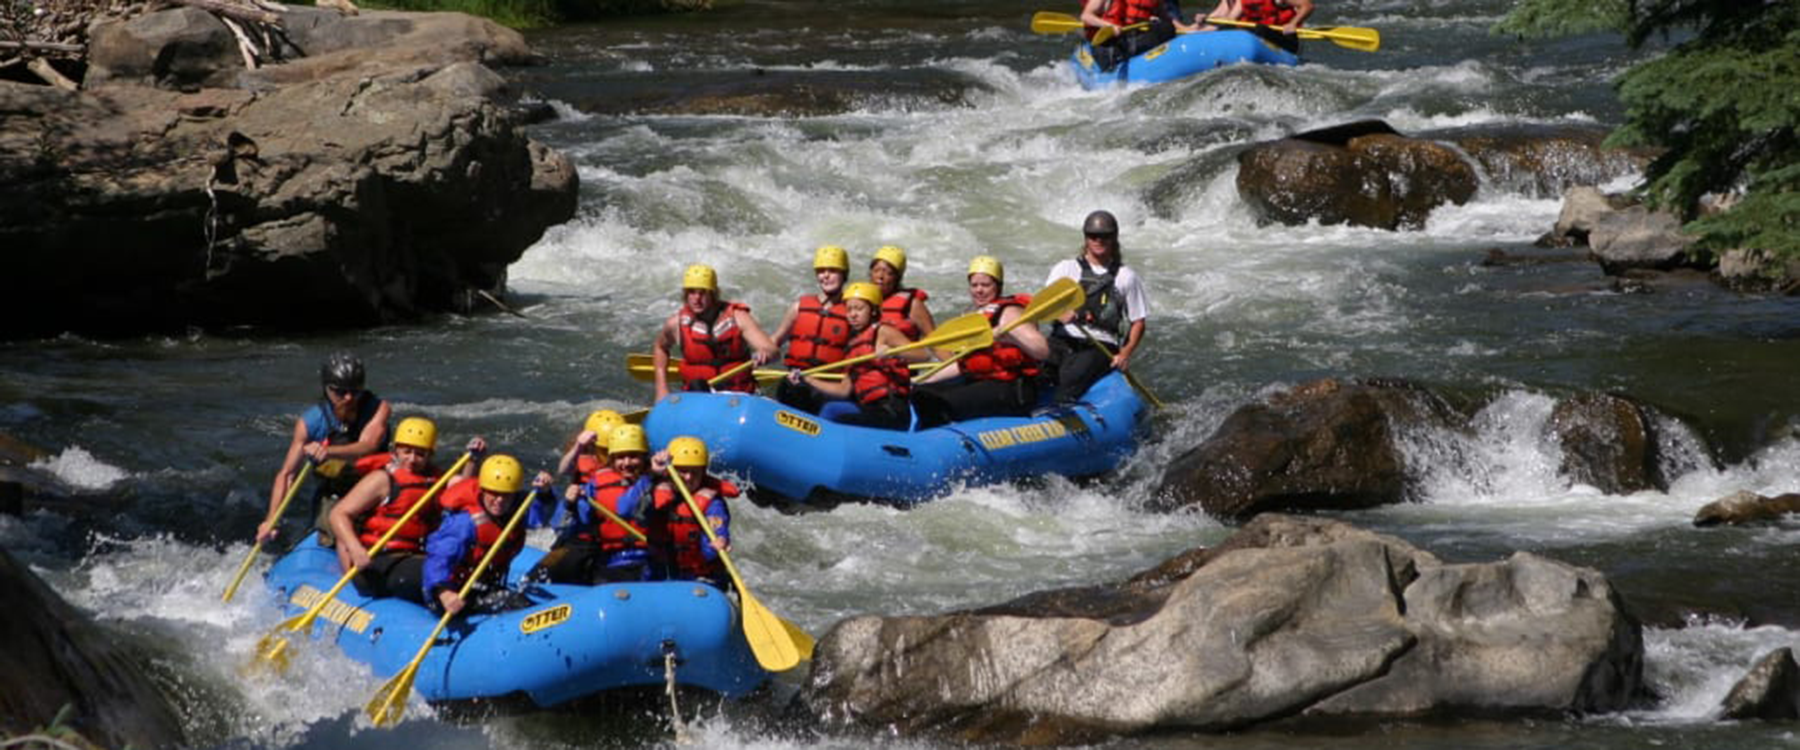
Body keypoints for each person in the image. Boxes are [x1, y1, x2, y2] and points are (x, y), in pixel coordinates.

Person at [326, 417, 472, 604]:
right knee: (437, 573)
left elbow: (463, 490)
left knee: (460, 571)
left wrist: (472, 461)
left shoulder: (436, 480)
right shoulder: (382, 480)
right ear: (395, 451)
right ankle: (446, 597)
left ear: (430, 455)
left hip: (416, 556)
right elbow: (339, 514)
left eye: (420, 454)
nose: (412, 459)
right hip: (379, 562)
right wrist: (355, 549)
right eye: (407, 452)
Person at [259, 351, 392, 545]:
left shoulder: (379, 409)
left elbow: (368, 447)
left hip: (375, 489)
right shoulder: (310, 423)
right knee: (336, 531)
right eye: (340, 392)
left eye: (355, 391)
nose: (348, 397)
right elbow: (287, 474)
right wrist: (271, 519)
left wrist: (328, 451)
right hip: (335, 494)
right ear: (327, 389)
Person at [915, 256, 1052, 421]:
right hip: (980, 380)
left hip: (1012, 388)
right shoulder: (974, 316)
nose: (979, 290)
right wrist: (922, 380)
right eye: (974, 285)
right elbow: (962, 364)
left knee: (941, 404)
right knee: (919, 394)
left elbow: (1043, 350)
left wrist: (1010, 336)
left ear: (998, 286)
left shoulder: (1009, 313)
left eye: (986, 285)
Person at [421, 454, 552, 615]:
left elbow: (539, 519)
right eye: (494, 493)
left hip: (486, 585)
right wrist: (445, 593)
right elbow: (438, 559)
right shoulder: (465, 523)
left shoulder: (516, 510)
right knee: (513, 602)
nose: (499, 500)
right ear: (483, 490)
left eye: (506, 494)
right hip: (454, 591)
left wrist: (544, 494)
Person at [785, 282, 926, 431]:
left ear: (873, 310)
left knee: (837, 416)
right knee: (831, 408)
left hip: (892, 409)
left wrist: (894, 352)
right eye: (849, 309)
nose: (853, 314)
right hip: (868, 408)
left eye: (859, 309)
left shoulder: (883, 332)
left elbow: (923, 355)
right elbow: (843, 390)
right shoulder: (852, 347)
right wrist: (808, 379)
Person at [1045, 210, 1149, 405]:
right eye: (1093, 236)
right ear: (1086, 238)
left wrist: (1124, 354)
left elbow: (1138, 322)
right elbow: (1045, 304)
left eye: (1105, 236)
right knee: (1037, 369)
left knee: (1072, 377)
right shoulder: (1065, 268)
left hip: (1100, 346)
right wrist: (1060, 313)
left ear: (1114, 238)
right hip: (1063, 339)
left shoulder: (1126, 277)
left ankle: (1059, 410)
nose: (1098, 241)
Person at [543, 424, 670, 584]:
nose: (627, 463)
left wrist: (652, 475)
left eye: (633, 456)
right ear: (611, 459)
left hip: (648, 559)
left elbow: (626, 509)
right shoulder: (596, 483)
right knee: (552, 571)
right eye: (620, 457)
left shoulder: (659, 480)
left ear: (645, 457)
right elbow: (561, 527)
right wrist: (569, 504)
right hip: (606, 556)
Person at [652, 263, 778, 402]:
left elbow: (772, 351)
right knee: (697, 386)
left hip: (738, 397)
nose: (696, 298)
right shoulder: (675, 324)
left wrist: (764, 353)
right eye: (692, 292)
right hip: (698, 395)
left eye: (702, 292)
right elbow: (660, 347)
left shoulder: (738, 318)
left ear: (713, 294)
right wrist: (662, 388)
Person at [772, 245, 854, 413]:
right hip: (796, 378)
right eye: (821, 271)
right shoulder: (799, 307)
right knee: (790, 388)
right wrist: (763, 352)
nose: (826, 275)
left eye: (832, 270)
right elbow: (776, 340)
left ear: (844, 274)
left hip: (829, 385)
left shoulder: (852, 312)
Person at [650, 436, 736, 588]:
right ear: (670, 471)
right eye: (682, 471)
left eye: (695, 472)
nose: (689, 477)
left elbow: (717, 526)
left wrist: (719, 540)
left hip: (700, 577)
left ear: (703, 473)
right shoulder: (653, 490)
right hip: (662, 572)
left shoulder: (712, 503)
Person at [552, 409, 625, 527]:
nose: (608, 452)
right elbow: (563, 470)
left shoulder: (627, 455)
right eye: (604, 449)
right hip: (585, 503)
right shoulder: (581, 452)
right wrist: (578, 445)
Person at [1080, 0, 1197, 72]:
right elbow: (1086, 16)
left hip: (1134, 38)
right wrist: (1109, 26)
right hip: (1110, 45)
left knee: (1165, 28)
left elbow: (1167, 19)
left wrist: (1187, 30)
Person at [868, 245, 935, 342]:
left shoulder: (912, 305)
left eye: (888, 273)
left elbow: (934, 339)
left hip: (903, 356)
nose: (880, 276)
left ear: (897, 278)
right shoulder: (861, 303)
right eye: (876, 270)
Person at [1196, 0, 1312, 53]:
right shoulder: (1242, 1)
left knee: (1259, 29)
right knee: (1226, 29)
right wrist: (1207, 19)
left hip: (1284, 39)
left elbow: (1307, 6)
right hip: (1257, 38)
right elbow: (1229, 20)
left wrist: (1293, 23)